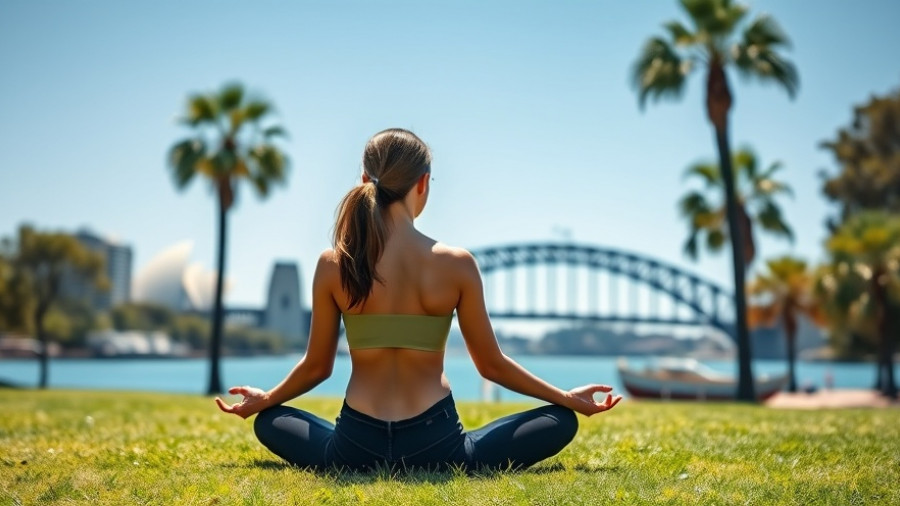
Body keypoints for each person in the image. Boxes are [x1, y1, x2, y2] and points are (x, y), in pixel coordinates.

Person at [215, 128, 622, 472]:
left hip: (355, 447)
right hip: (439, 446)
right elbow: (491, 366)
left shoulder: (333, 264)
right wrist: (567, 399)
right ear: (423, 183)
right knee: (559, 421)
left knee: (270, 421)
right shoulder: (456, 264)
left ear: (363, 180)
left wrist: (266, 400)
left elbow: (317, 367)